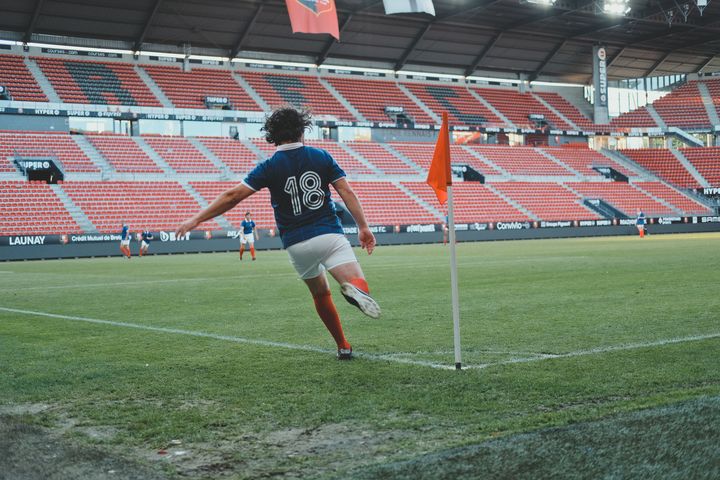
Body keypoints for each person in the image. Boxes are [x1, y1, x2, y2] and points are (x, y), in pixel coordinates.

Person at [176, 107, 380, 360]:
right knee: (358, 284)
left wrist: (196, 219)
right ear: (302, 130)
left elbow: (232, 196)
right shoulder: (321, 156)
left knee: (320, 294)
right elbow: (346, 192)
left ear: (272, 135)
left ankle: (342, 345)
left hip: (296, 243)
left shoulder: (269, 166)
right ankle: (356, 291)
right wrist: (363, 227)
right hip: (328, 234)